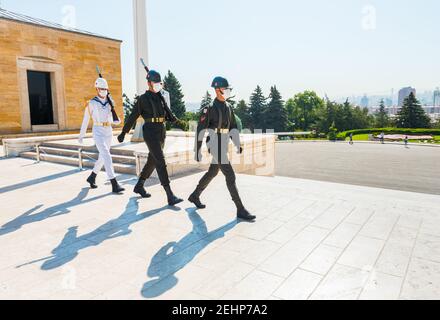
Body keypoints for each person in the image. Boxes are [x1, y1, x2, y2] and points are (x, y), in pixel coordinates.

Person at [188, 76, 256, 222]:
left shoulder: (228, 107)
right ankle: (240, 209)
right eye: (225, 89)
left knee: (213, 172)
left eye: (228, 89)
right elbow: (200, 130)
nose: (228, 91)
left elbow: (233, 127)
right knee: (230, 176)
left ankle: (195, 195)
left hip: (223, 143)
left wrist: (237, 143)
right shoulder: (209, 108)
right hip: (213, 143)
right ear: (217, 90)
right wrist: (197, 150)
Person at [117, 70, 183, 206]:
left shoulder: (160, 97)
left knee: (152, 160)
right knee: (160, 160)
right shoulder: (143, 99)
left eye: (160, 83)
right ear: (149, 83)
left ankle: (139, 185)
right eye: (156, 83)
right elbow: (132, 116)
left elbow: (168, 113)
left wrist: (176, 120)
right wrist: (124, 132)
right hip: (150, 131)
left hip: (161, 130)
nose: (159, 85)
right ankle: (169, 194)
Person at [78, 78, 125, 194]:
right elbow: (85, 120)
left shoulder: (109, 102)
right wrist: (81, 135)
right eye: (101, 88)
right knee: (107, 155)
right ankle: (114, 183)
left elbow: (115, 120)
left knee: (102, 157)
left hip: (108, 131)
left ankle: (92, 177)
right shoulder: (92, 103)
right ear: (97, 89)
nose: (103, 90)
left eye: (105, 89)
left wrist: (115, 114)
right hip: (98, 131)